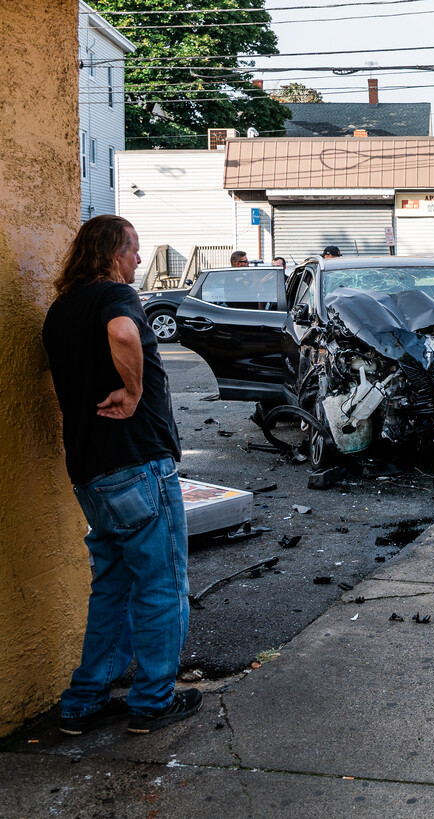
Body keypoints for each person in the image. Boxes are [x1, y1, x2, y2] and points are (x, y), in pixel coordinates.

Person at [42, 215, 202, 736]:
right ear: (114, 252)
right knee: (161, 586)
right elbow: (122, 332)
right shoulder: (115, 295)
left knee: (111, 586)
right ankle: (153, 701)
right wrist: (133, 393)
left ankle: (83, 702)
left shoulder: (60, 310)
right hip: (137, 466)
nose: (138, 259)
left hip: (91, 474)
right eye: (133, 250)